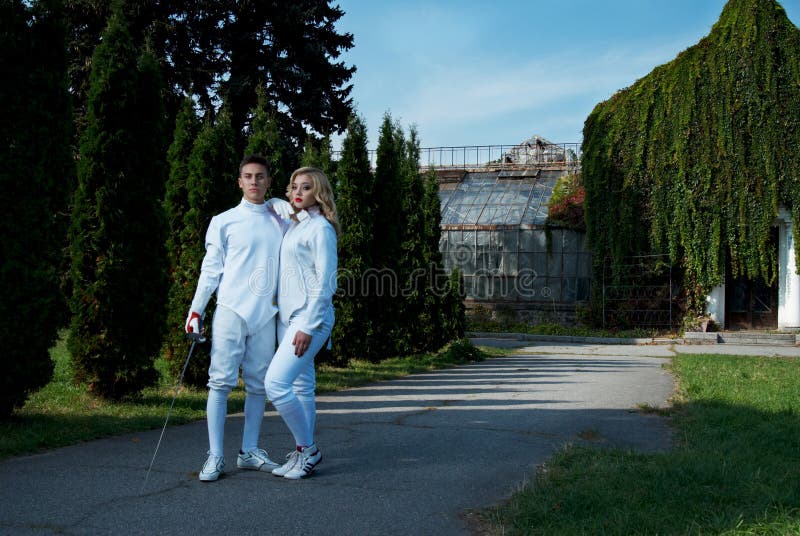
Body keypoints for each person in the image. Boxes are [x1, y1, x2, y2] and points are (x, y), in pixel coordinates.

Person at [186, 154, 290, 482]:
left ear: (269, 181)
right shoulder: (224, 221)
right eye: (248, 176)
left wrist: (285, 206)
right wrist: (196, 309)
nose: (254, 181)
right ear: (239, 181)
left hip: (266, 313)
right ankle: (215, 455)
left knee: (258, 385)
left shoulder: (281, 218)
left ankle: (249, 451)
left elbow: (308, 230)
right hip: (231, 310)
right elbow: (210, 270)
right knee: (220, 382)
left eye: (260, 176)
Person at [266, 167, 339, 480]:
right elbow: (274, 203)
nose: (298, 192)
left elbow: (326, 283)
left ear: (318, 192)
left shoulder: (321, 229)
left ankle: (309, 450)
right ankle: (300, 453)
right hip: (289, 316)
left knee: (275, 383)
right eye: (294, 186)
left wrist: (308, 326)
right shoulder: (296, 224)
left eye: (306, 187)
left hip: (310, 319)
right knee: (302, 388)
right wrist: (280, 203)